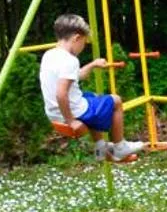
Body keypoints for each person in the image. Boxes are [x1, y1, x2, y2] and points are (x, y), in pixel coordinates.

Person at [39, 14, 145, 161]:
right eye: (84, 42)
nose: (83, 46)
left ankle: (100, 149)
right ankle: (120, 146)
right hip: (72, 113)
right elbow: (61, 93)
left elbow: (78, 76)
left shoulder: (49, 55)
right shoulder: (70, 60)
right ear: (76, 38)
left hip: (53, 112)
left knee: (92, 97)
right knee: (116, 101)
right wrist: (71, 121)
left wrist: (93, 64)